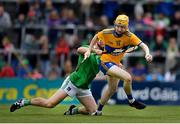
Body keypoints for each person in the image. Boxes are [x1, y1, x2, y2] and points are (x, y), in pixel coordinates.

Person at [84, 14, 153, 115]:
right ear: (115, 24)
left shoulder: (130, 36)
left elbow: (143, 45)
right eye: (118, 26)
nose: (119, 29)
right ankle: (131, 101)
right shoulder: (107, 32)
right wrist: (89, 50)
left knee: (112, 89)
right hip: (105, 62)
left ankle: (98, 111)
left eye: (122, 27)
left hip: (116, 64)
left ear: (127, 27)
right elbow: (95, 37)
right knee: (128, 78)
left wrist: (147, 54)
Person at [10, 45, 102, 115]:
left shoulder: (103, 57)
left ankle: (73, 110)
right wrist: (94, 51)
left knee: (93, 111)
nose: (103, 41)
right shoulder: (88, 48)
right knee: (50, 104)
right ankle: (23, 102)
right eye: (101, 39)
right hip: (73, 83)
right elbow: (79, 49)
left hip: (84, 87)